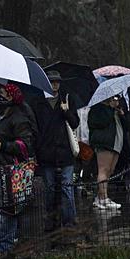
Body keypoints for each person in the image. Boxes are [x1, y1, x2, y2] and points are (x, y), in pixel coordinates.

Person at [0, 83, 35, 257]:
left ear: (10, 96)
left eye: (3, 92)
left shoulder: (19, 118)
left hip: (8, 170)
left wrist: (3, 145)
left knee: (7, 210)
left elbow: (25, 145)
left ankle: (4, 246)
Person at [31, 70, 80, 231]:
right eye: (51, 82)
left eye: (57, 82)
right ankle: (52, 219)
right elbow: (36, 128)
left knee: (67, 188)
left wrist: (66, 111)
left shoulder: (66, 99)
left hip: (64, 152)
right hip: (46, 153)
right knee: (50, 190)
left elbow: (75, 123)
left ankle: (69, 221)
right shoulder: (38, 102)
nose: (54, 85)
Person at [87, 96, 124, 210]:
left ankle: (100, 197)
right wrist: (110, 109)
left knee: (110, 170)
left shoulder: (115, 110)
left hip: (116, 143)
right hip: (104, 143)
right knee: (103, 169)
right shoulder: (97, 108)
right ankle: (104, 198)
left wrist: (121, 114)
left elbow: (126, 125)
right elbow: (101, 123)